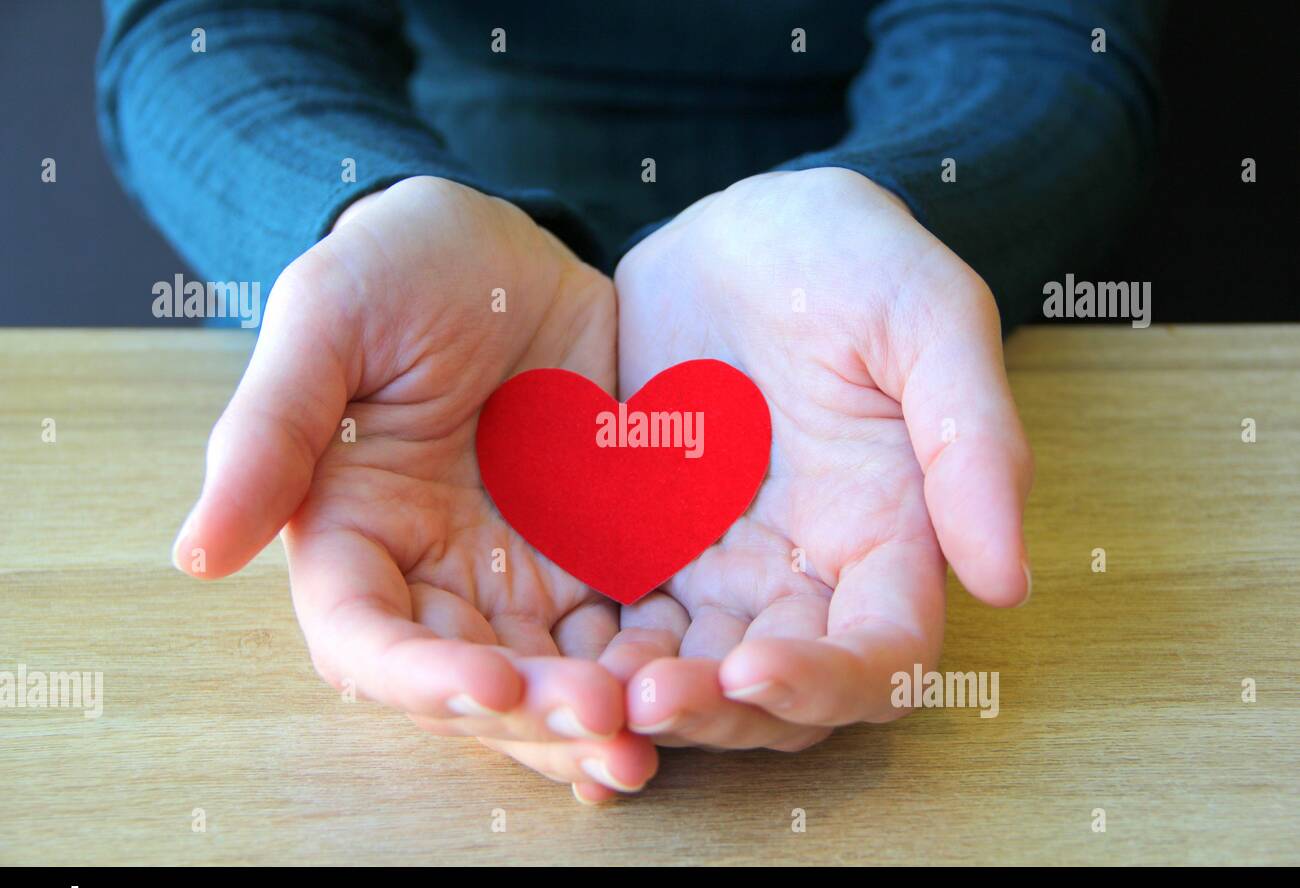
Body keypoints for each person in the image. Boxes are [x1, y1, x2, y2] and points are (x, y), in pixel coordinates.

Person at [98, 0, 1164, 803]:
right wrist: (353, 210)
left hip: (856, 274)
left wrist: (902, 206)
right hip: (434, 246)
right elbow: (207, 24)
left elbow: (1035, 32)